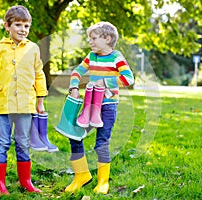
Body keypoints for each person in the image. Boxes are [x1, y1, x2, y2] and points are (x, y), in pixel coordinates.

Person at [0, 5, 47, 195]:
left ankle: (25, 181)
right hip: (3, 105)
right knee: (2, 143)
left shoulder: (33, 48)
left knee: (23, 142)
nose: (22, 30)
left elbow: (39, 74)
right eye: (18, 25)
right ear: (7, 26)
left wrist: (40, 100)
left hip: (26, 104)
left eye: (26, 26)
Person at [65, 21, 135, 194]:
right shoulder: (91, 56)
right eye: (89, 38)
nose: (90, 42)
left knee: (101, 143)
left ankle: (103, 182)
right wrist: (74, 88)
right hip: (89, 105)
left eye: (94, 38)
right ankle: (81, 176)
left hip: (108, 107)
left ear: (107, 38)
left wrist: (104, 82)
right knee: (74, 135)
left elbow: (129, 78)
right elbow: (76, 72)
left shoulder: (116, 57)